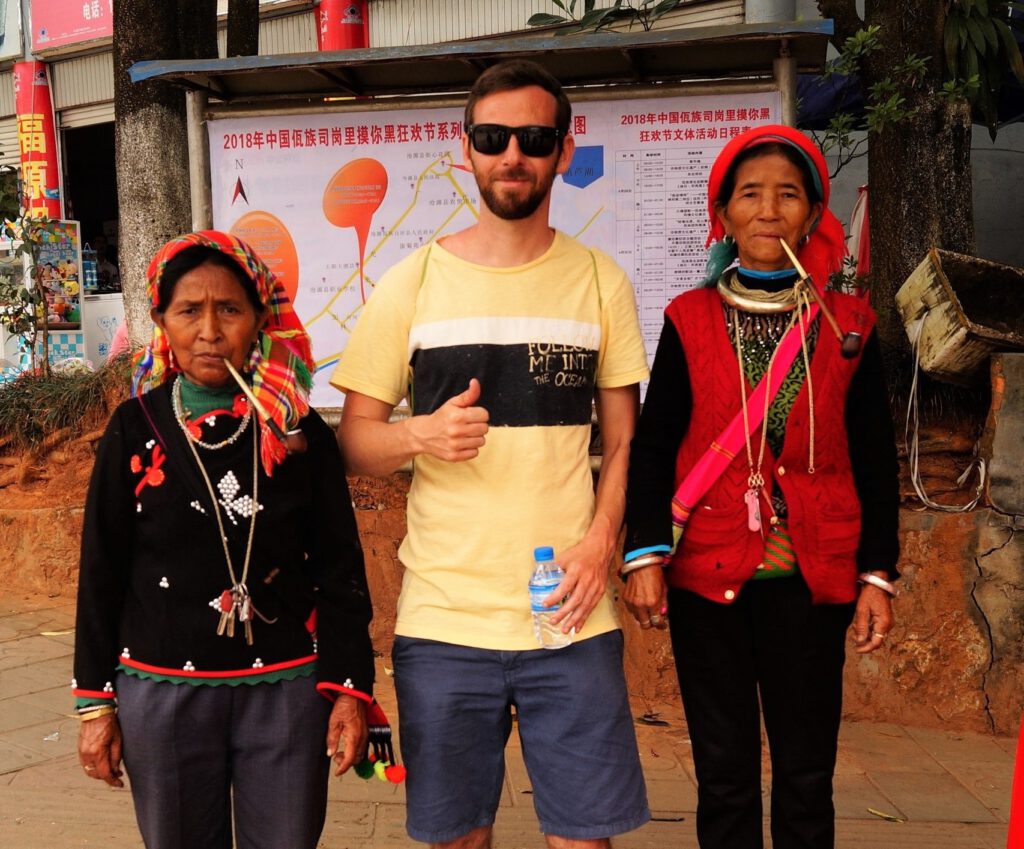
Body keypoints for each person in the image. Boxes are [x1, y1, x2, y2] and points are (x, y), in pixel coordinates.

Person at [332, 59, 651, 849]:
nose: (514, 153)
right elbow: (354, 440)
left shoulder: (600, 282)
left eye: (534, 138)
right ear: (464, 149)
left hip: (569, 619)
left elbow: (623, 441)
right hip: (444, 620)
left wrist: (604, 539)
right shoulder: (411, 283)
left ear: (562, 152)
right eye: (494, 136)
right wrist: (417, 434)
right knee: (456, 839)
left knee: (585, 837)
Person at [622, 125, 900, 849]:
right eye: (750, 194)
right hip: (705, 581)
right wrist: (645, 553)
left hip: (811, 584)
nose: (768, 209)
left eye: (787, 193)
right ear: (726, 213)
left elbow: (875, 460)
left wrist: (877, 573)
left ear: (812, 212)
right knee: (723, 772)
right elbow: (654, 446)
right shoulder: (688, 319)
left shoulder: (851, 327)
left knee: (806, 775)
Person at [73, 230, 378, 849]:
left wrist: (349, 689)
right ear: (162, 319)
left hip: (287, 691)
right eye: (189, 310)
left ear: (260, 319)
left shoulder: (296, 432)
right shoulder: (134, 428)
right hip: (161, 693)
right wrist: (96, 704)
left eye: (230, 309)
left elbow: (339, 564)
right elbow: (101, 570)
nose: (209, 330)